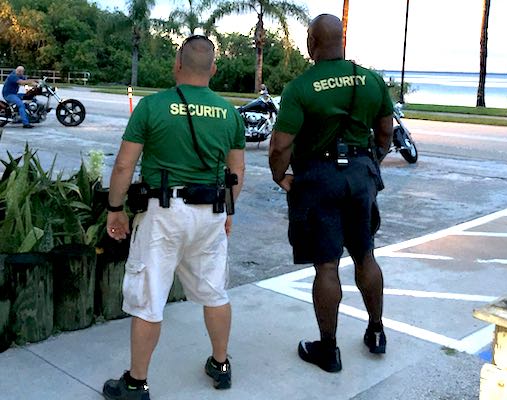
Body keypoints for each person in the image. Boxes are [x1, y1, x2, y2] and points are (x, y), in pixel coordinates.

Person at [102, 35, 245, 399]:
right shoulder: (229, 113)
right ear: (213, 69)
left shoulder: (152, 107)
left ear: (176, 64)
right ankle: (221, 363)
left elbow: (123, 164)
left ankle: (135, 384)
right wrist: (228, 212)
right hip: (210, 212)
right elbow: (237, 173)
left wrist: (115, 209)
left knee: (149, 298)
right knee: (214, 292)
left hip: (163, 214)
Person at [269, 14, 393, 373]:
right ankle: (376, 332)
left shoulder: (300, 87)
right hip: (360, 175)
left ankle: (328, 349)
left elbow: (280, 144)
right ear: (342, 39)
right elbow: (385, 130)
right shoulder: (369, 79)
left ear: (312, 43)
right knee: (365, 254)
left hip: (319, 177)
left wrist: (281, 177)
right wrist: (371, 165)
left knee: (326, 265)